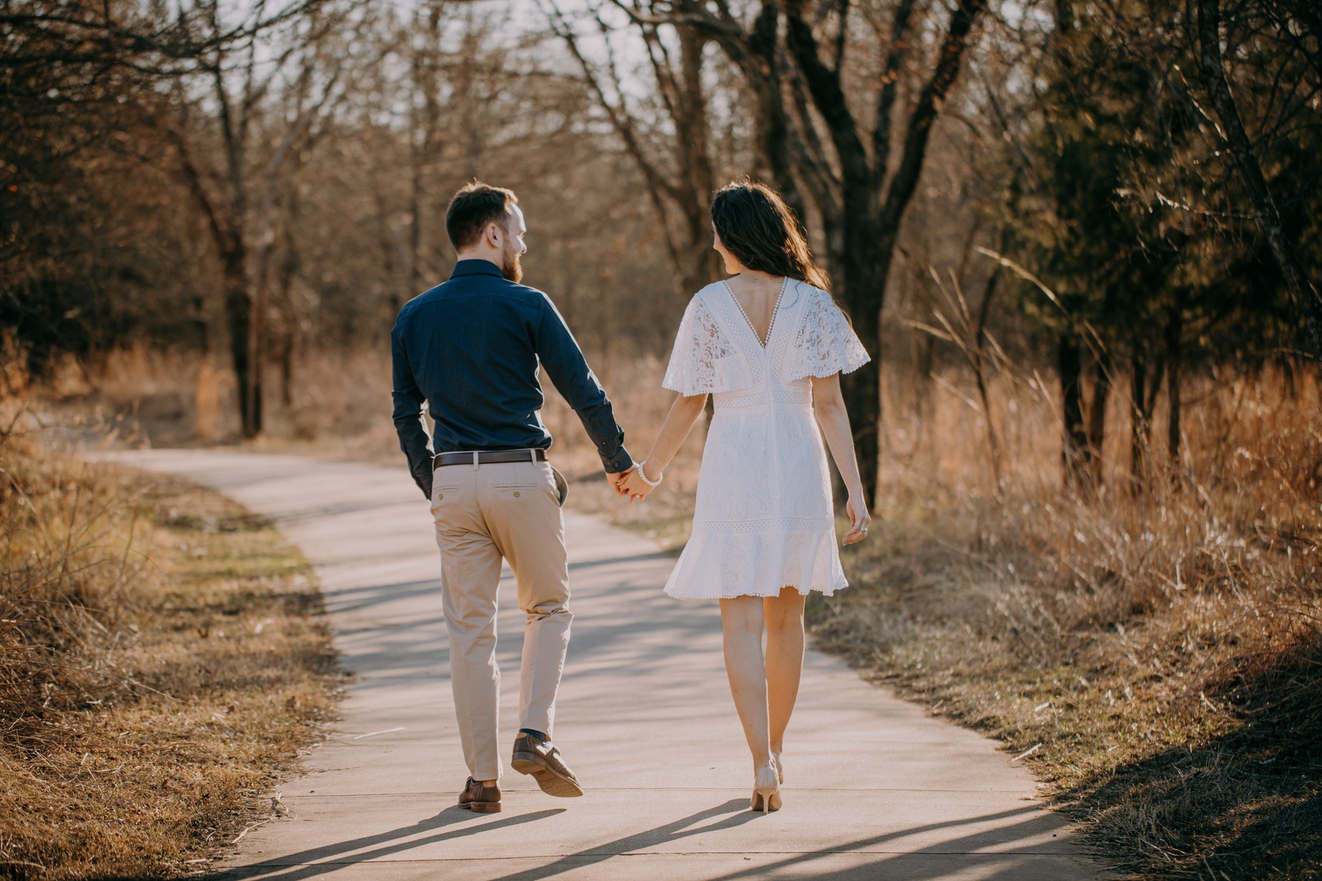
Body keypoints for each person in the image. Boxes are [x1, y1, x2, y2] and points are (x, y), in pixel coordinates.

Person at [617, 180, 871, 813]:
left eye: (715, 233)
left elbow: (689, 404)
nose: (712, 243)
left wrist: (648, 471)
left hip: (734, 464)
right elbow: (832, 406)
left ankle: (759, 757)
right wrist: (856, 494)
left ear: (731, 237)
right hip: (798, 461)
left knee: (739, 621)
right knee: (788, 619)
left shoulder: (707, 304)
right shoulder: (814, 305)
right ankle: (777, 752)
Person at [391, 181, 634, 814]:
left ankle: (483, 783)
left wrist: (432, 478)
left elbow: (402, 408)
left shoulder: (415, 315)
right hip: (520, 475)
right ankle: (534, 732)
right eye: (517, 231)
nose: (523, 242)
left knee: (471, 634)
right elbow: (584, 390)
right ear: (493, 233)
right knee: (548, 609)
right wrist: (618, 462)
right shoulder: (528, 304)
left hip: (453, 480)